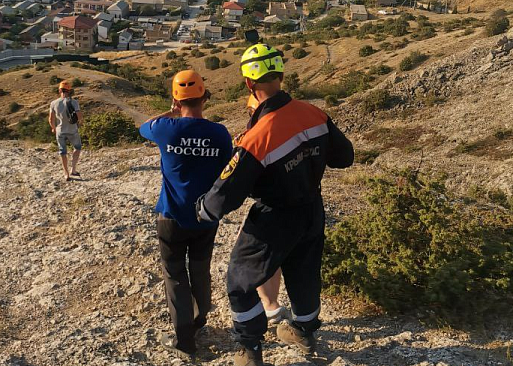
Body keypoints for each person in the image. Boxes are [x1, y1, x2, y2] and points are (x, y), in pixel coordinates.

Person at [196, 44, 354, 366]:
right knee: (305, 275)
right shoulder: (314, 113)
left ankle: (250, 348)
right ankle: (304, 332)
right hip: (312, 210)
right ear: (281, 75)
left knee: (239, 281)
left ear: (248, 85)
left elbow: (224, 196)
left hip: (273, 219)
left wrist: (203, 209)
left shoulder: (257, 137)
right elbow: (345, 157)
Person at [139, 70, 233, 358]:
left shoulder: (165, 128)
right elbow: (227, 168)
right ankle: (200, 318)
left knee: (175, 273)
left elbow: (144, 126)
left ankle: (184, 340)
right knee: (201, 267)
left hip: (171, 215)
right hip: (206, 216)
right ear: (205, 98)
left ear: (176, 101)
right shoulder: (219, 133)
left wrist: (171, 111)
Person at [237, 95, 290, 327]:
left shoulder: (260, 134)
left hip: (271, 206)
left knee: (257, 254)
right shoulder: (287, 124)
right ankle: (273, 305)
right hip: (296, 204)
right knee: (275, 255)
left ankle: (268, 307)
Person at [48, 80, 83, 181]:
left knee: (62, 152)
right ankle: (73, 169)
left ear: (59, 90)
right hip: (73, 130)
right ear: (69, 90)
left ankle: (66, 174)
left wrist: (54, 128)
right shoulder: (74, 102)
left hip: (60, 131)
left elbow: (51, 119)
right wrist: (79, 122)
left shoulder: (53, 103)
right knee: (77, 148)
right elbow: (79, 116)